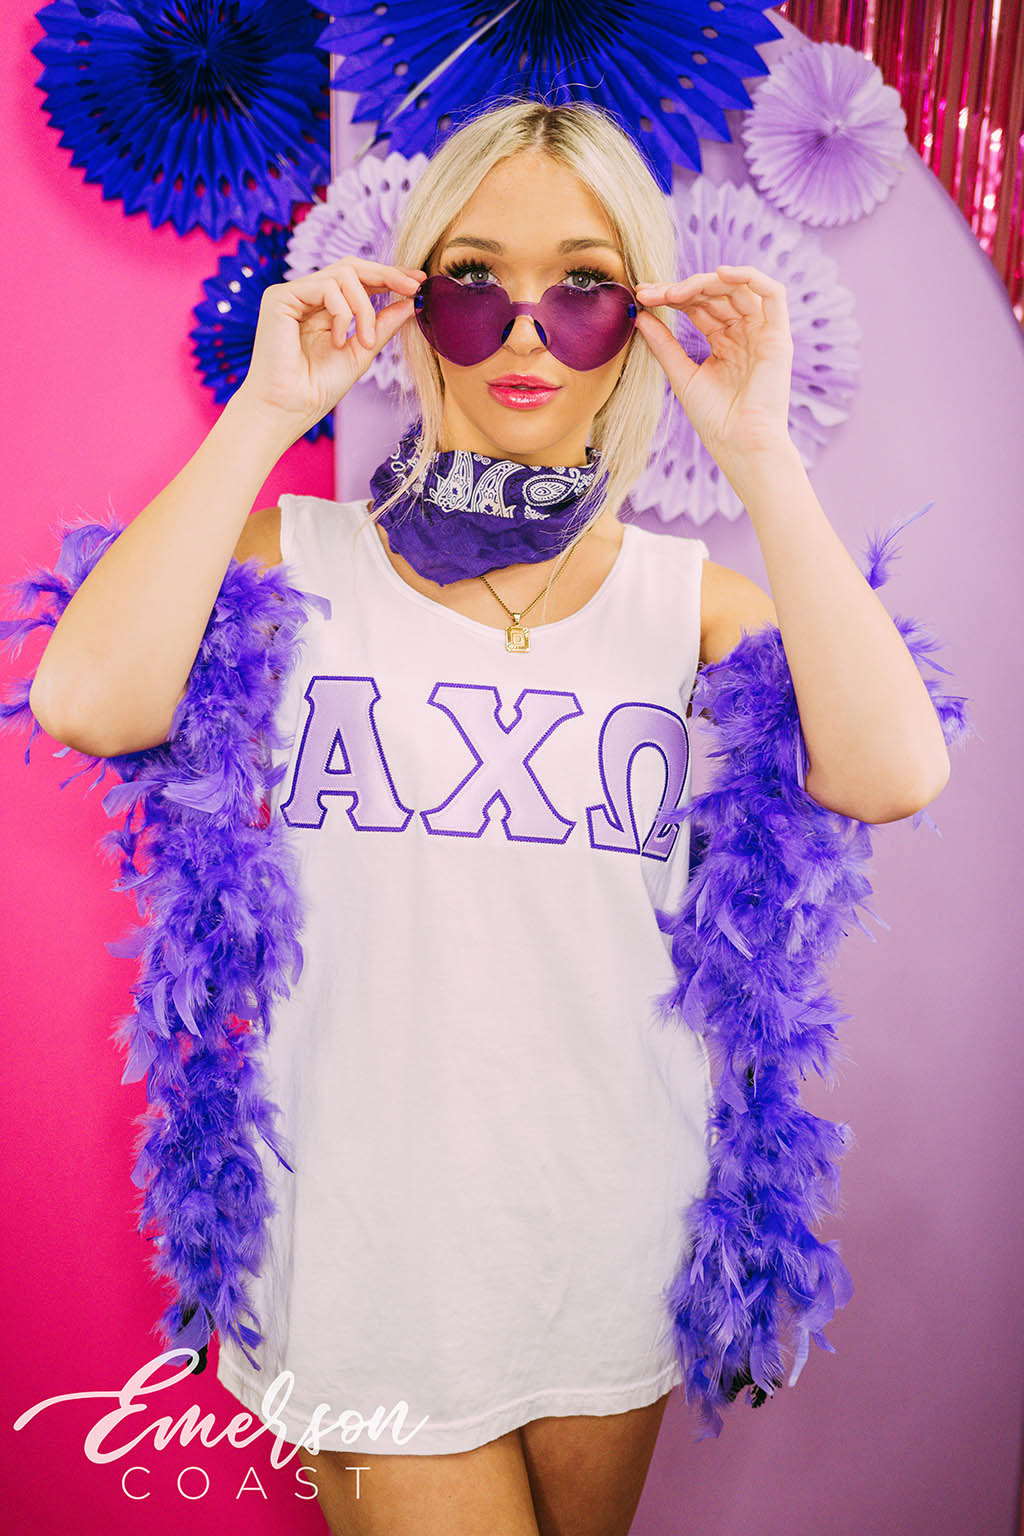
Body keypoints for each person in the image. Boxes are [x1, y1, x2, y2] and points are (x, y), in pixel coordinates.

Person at [27, 98, 950, 1536]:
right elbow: (87, 698)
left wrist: (762, 454)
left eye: (584, 286)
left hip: (612, 1238)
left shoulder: (687, 606)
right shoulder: (292, 563)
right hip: (368, 1248)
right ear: (412, 301)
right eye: (475, 281)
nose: (528, 330)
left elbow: (892, 771)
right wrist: (268, 412)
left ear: (642, 318)